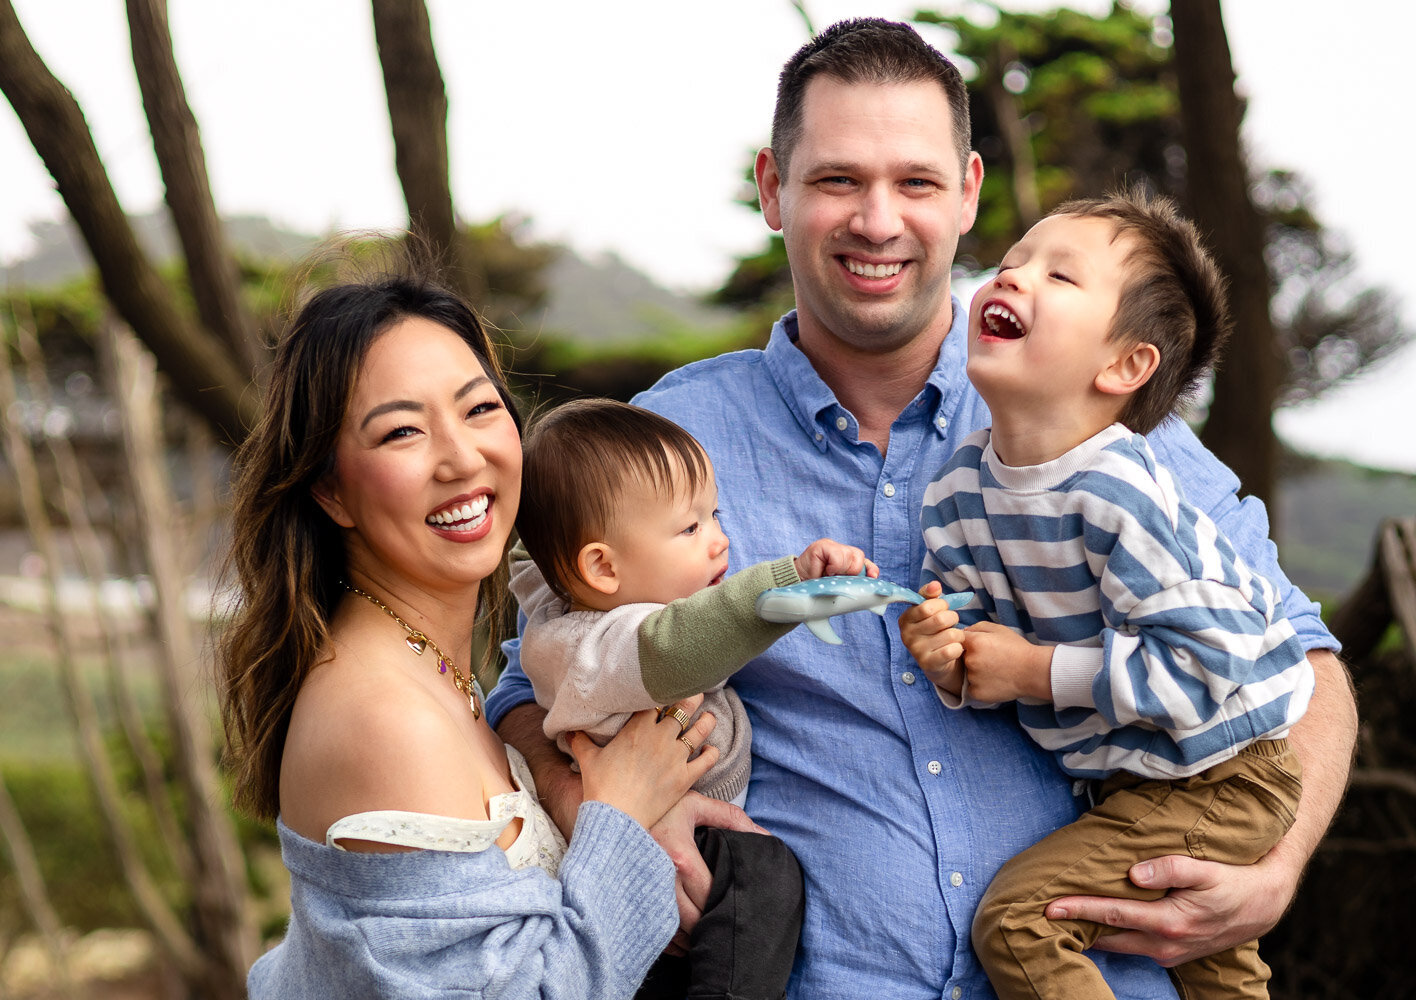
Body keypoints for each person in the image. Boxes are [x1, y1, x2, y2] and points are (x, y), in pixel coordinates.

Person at [488, 18, 1357, 1000]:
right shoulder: (665, 442)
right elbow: (529, 689)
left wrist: (1273, 870)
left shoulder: (1100, 417)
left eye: (914, 182)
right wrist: (610, 809)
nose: (876, 220)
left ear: (968, 194)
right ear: (774, 191)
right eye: (836, 181)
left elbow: (1299, 654)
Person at [216, 273, 735, 999]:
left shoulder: (431, 672)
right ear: (330, 490)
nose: (462, 459)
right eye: (402, 431)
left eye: (480, 409)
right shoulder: (382, 715)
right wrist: (620, 815)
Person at [898, 190, 1315, 1000]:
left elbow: (1206, 664)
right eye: (1013, 262)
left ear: (1124, 366)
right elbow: (987, 653)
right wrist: (950, 656)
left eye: (1059, 275)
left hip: (1226, 771)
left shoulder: (1120, 490)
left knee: (1019, 922)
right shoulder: (957, 492)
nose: (1012, 278)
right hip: (1140, 777)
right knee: (1221, 978)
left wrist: (1031, 672)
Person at [512, 397, 874, 998]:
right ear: (602, 567)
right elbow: (686, 642)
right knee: (767, 877)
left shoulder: (570, 602)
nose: (720, 541)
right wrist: (790, 585)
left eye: (715, 516)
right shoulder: (604, 645)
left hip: (670, 841)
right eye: (691, 528)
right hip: (673, 838)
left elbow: (530, 559)